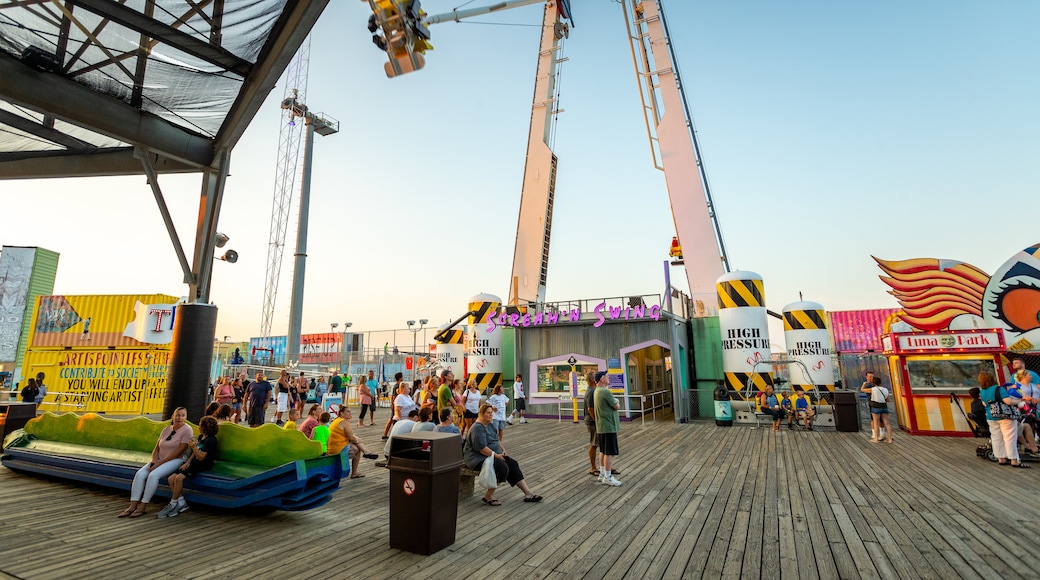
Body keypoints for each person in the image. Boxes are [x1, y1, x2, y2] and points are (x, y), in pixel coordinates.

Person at [118, 407, 191, 518]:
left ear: (185, 417)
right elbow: (156, 448)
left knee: (153, 475)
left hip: (176, 459)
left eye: (182, 415)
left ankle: (143, 505)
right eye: (177, 415)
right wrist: (153, 461)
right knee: (140, 474)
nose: (179, 418)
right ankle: (133, 505)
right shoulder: (166, 429)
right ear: (173, 416)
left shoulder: (187, 430)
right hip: (159, 459)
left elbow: (179, 451)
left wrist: (158, 464)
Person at [463, 403, 542, 505]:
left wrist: (503, 450)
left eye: (492, 413)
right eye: (488, 413)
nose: (491, 415)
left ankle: (528, 493)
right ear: (481, 414)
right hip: (477, 458)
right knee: (502, 467)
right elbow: (481, 449)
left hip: (492, 455)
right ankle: (488, 496)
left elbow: (497, 440)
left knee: (512, 464)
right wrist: (496, 456)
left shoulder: (490, 425)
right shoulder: (477, 428)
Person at [160, 416, 219, 518]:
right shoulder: (201, 437)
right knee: (171, 478)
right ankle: (181, 501)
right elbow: (194, 454)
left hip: (203, 463)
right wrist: (188, 462)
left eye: (200, 424)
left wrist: (193, 447)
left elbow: (201, 457)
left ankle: (173, 503)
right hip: (194, 462)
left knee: (178, 478)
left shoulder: (211, 440)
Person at [979, 370, 1027, 467]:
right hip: (1005, 417)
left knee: (996, 438)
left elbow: (984, 404)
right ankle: (1014, 460)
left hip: (991, 417)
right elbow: (1008, 401)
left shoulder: (982, 391)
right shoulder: (999, 389)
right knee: (1009, 438)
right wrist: (1019, 401)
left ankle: (1001, 458)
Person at [328, 406, 378, 478]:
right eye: (348, 411)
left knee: (356, 443)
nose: (350, 413)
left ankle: (366, 452)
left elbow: (350, 436)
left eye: (350, 411)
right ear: (341, 413)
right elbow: (351, 438)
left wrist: (356, 439)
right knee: (357, 449)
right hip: (337, 449)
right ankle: (355, 471)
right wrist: (358, 440)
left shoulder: (337, 420)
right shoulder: (343, 422)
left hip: (335, 446)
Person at [593, 371, 622, 487]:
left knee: (603, 451)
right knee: (609, 452)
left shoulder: (597, 391)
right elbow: (616, 406)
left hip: (601, 425)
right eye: (606, 376)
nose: (608, 377)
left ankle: (602, 473)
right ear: (601, 379)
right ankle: (608, 477)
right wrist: (617, 401)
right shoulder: (605, 391)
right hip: (608, 425)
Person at [1011, 369, 1040, 457]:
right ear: (1024, 376)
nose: (1031, 376)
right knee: (1027, 425)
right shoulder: (1016, 386)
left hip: (1035, 408)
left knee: (1035, 426)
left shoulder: (1033, 385)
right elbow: (1011, 397)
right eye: (1029, 375)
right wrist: (1024, 398)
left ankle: (1031, 446)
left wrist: (1037, 400)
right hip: (1023, 409)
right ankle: (1030, 447)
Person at [862, 376, 893, 443]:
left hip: (876, 406)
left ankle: (876, 438)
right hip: (884, 407)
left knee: (876, 423)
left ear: (874, 383)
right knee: (887, 423)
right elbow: (888, 400)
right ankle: (889, 439)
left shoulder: (873, 389)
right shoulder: (885, 389)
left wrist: (864, 384)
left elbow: (862, 389)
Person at [381, 373, 406, 439]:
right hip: (396, 405)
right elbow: (394, 397)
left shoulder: (397, 385)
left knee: (391, 419)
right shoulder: (397, 386)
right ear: (400, 378)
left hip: (395, 405)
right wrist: (395, 405)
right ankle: (385, 434)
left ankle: (385, 434)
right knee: (392, 419)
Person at [584, 371, 599, 476]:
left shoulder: (593, 390)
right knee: (594, 443)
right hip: (592, 421)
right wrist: (596, 420)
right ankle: (593, 467)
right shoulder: (591, 392)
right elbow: (590, 408)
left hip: (594, 420)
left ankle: (605, 465)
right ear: (593, 380)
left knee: (599, 443)